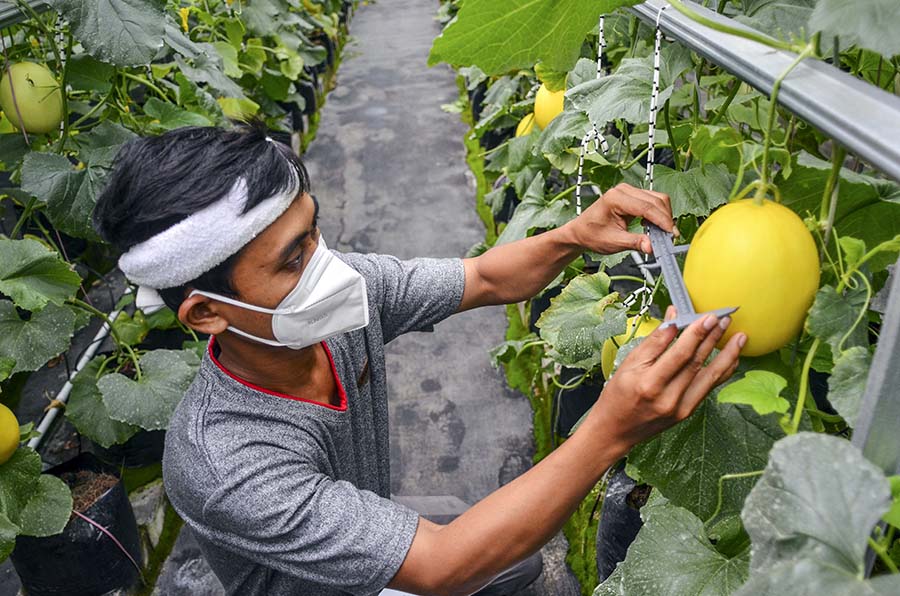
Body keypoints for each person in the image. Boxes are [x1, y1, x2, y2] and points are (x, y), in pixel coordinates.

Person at [92, 124, 745, 596]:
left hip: (376, 560)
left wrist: (573, 235)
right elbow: (440, 565)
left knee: (515, 562)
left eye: (313, 231)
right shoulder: (223, 461)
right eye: (292, 260)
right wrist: (611, 429)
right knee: (480, 561)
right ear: (207, 314)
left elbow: (485, 277)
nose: (325, 265)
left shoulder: (338, 299)